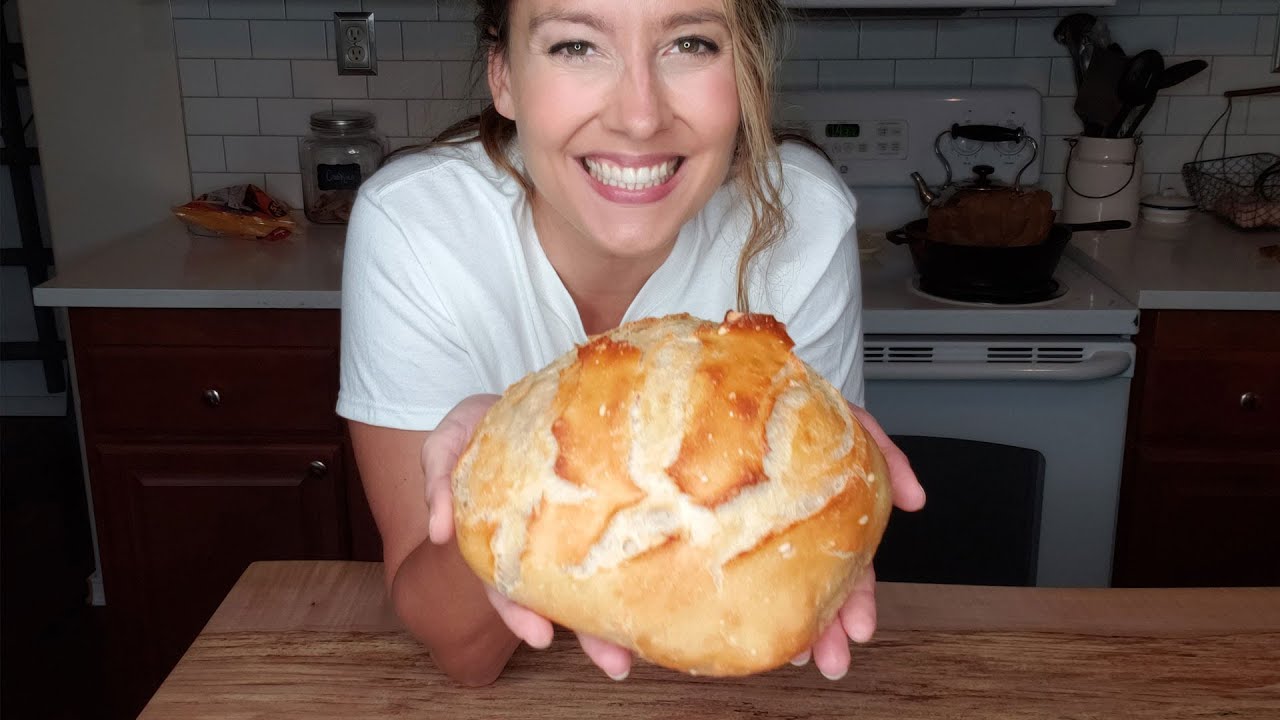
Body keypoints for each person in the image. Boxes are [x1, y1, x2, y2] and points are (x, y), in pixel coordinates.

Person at [337, 0, 925, 688]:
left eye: (691, 44)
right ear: (502, 77)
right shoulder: (418, 228)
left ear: (748, 75)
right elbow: (463, 656)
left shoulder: (799, 218)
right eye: (577, 47)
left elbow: (783, 603)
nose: (639, 116)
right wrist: (491, 476)